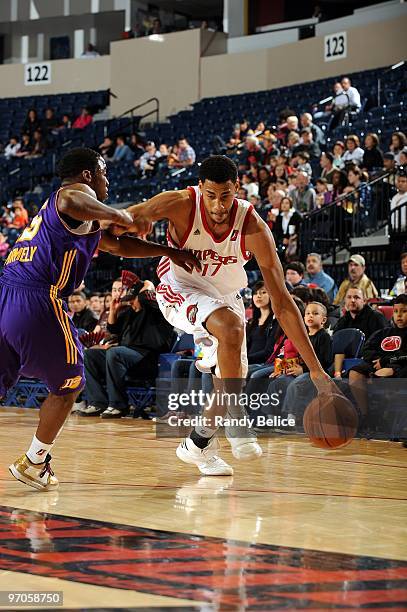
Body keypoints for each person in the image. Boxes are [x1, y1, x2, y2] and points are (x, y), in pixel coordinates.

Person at [3, 147, 200, 491]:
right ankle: (34, 461)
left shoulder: (77, 217)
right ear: (88, 175)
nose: (107, 180)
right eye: (104, 173)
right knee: (70, 383)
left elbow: (120, 247)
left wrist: (170, 252)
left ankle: (35, 461)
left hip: (7, 295)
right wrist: (123, 214)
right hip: (38, 295)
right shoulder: (71, 195)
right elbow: (71, 201)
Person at [125, 155, 333, 476]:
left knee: (228, 381)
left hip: (225, 297)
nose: (219, 205)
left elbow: (282, 301)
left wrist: (318, 371)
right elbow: (126, 218)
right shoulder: (181, 204)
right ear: (200, 189)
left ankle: (198, 445)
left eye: (226, 195)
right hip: (180, 287)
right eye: (211, 196)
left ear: (237, 188)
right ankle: (237, 416)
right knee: (231, 329)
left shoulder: (254, 228)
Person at [82, 281, 173, 418]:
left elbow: (147, 287)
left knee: (114, 352)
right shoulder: (130, 312)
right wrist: (113, 310)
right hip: (124, 356)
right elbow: (113, 329)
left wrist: (142, 284)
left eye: (132, 299)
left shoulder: (156, 309)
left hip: (147, 358)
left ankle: (118, 405)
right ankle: (97, 402)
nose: (130, 303)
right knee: (89, 355)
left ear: (141, 297)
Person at [348, 294, 407, 415]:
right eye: (395, 311)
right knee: (355, 373)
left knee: (385, 375)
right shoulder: (384, 332)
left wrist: (386, 362)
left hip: (399, 366)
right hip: (377, 363)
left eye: (404, 311)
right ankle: (366, 415)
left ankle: (385, 417)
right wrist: (377, 361)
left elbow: (405, 356)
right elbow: (367, 349)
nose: (399, 315)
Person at [333, 287, 388, 377]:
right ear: (345, 300)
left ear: (364, 301)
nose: (352, 300)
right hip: (343, 361)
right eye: (349, 297)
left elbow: (384, 343)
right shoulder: (343, 320)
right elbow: (336, 345)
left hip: (369, 361)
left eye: (357, 297)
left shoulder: (376, 317)